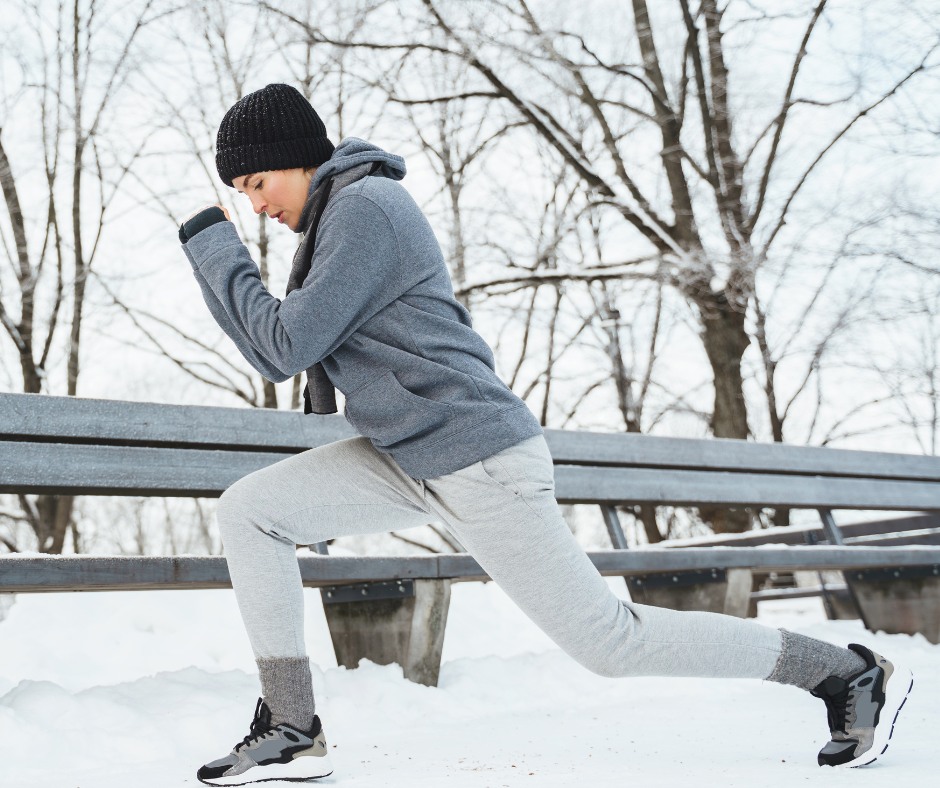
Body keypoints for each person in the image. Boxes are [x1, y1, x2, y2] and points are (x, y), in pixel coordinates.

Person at [178, 83, 912, 785]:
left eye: (259, 180)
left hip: (478, 457)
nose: (255, 203)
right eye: (240, 191)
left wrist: (214, 246)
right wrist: (215, 252)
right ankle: (293, 724)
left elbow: (283, 345)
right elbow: (271, 344)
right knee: (253, 510)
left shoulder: (367, 208)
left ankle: (842, 673)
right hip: (410, 455)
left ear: (304, 157)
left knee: (610, 643)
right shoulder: (337, 220)